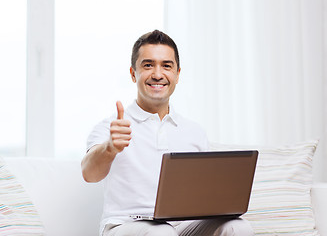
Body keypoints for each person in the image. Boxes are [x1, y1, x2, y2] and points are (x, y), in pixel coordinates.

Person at [81, 30, 254, 236]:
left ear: (177, 74)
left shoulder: (194, 132)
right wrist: (110, 148)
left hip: (182, 227)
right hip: (125, 226)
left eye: (166, 65)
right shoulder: (112, 127)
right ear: (133, 73)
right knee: (161, 232)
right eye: (148, 65)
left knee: (238, 227)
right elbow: (89, 174)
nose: (157, 74)